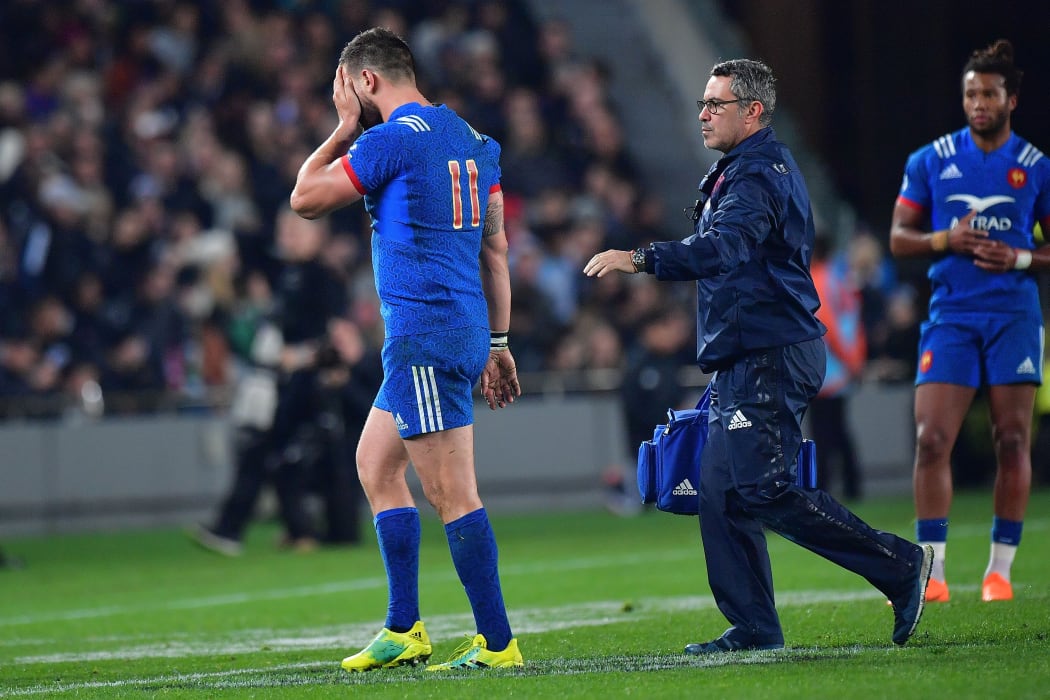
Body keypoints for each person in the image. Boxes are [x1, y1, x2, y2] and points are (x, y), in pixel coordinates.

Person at [584, 58, 932, 653]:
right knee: (721, 493)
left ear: (752, 112)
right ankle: (754, 627)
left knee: (764, 488)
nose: (702, 114)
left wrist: (640, 258)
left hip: (771, 352)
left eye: (715, 104)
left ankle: (899, 565)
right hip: (747, 353)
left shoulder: (757, 176)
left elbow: (722, 248)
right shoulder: (737, 171)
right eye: (701, 102)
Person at [289, 28, 523, 672]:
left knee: (452, 493)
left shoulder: (386, 140)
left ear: (366, 81)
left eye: (348, 89)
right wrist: (499, 342)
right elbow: (497, 252)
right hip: (463, 327)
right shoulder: (475, 141)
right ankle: (403, 628)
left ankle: (498, 644)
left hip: (423, 336)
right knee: (375, 464)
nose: (350, 101)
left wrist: (340, 130)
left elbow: (304, 199)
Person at [889, 39, 1050, 603]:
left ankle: (998, 571)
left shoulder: (1035, 167)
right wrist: (944, 239)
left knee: (1012, 440)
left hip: (1012, 314)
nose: (978, 103)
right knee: (931, 439)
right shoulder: (930, 160)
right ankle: (932, 574)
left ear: (1012, 99)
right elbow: (898, 238)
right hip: (951, 314)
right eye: (970, 94)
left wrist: (1022, 257)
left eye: (988, 93)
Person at [810, 236, 866, 501]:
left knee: (823, 430)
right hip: (840, 365)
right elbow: (853, 320)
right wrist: (855, 359)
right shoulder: (838, 277)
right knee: (839, 428)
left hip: (827, 367)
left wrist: (847, 360)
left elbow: (826, 324)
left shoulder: (819, 278)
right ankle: (852, 484)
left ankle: (823, 486)